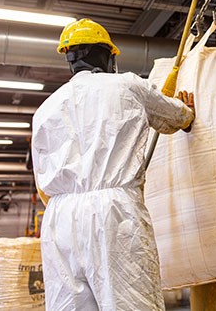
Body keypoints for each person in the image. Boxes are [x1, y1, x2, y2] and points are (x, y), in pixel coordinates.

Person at [31, 18, 195, 311]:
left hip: (59, 220)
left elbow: (41, 183)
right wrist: (187, 110)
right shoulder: (128, 86)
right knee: (131, 303)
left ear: (70, 60)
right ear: (106, 55)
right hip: (113, 213)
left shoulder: (45, 109)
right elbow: (177, 118)